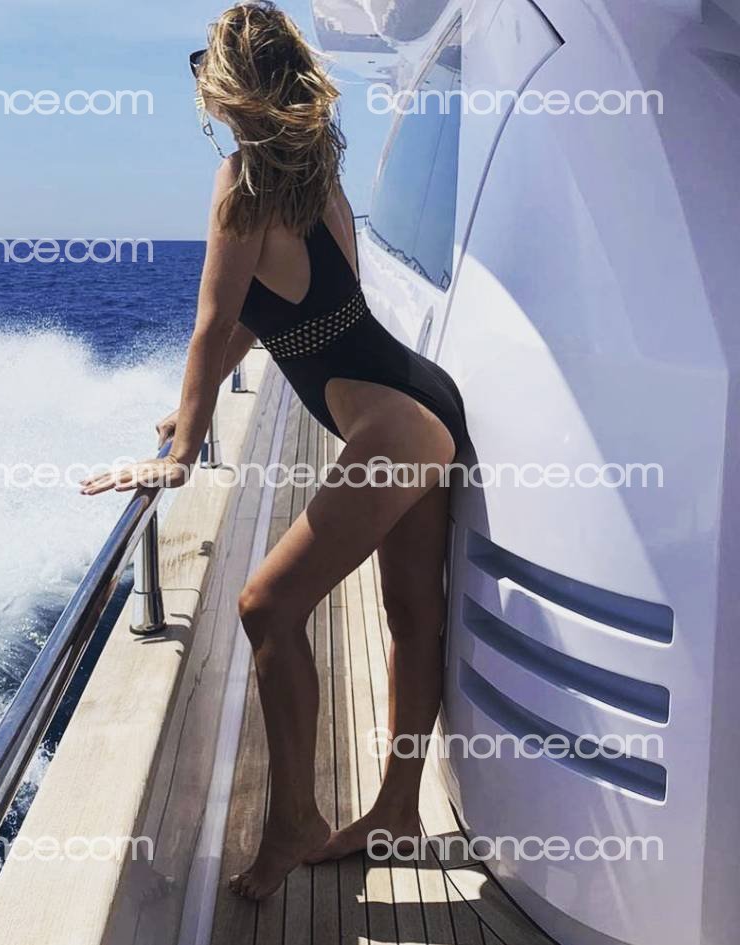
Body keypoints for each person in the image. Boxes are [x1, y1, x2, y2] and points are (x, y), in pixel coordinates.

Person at [80, 0, 468, 901]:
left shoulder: (242, 184)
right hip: (421, 400)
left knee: (266, 606)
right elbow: (283, 319)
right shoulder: (314, 169)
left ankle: (295, 820)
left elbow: (213, 322)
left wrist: (180, 454)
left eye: (203, 70)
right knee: (413, 614)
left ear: (229, 86)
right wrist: (187, 411)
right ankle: (397, 811)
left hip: (393, 427)